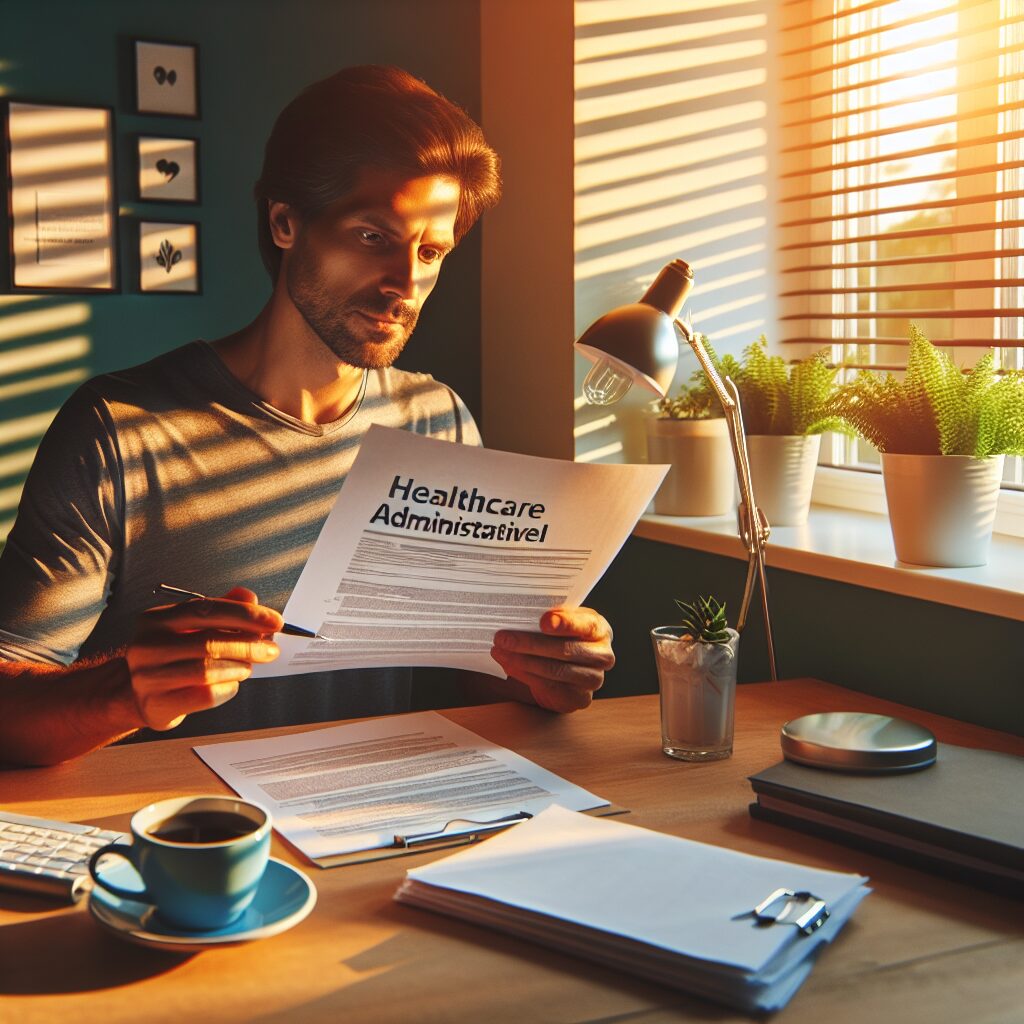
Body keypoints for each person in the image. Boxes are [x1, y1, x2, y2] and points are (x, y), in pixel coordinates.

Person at [0, 66, 614, 767]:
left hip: (387, 811)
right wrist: (124, 691)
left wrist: (547, 672)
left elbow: (479, 671)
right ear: (286, 222)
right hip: (193, 824)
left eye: (430, 251)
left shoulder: (438, 419)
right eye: (374, 237)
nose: (406, 284)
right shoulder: (120, 429)